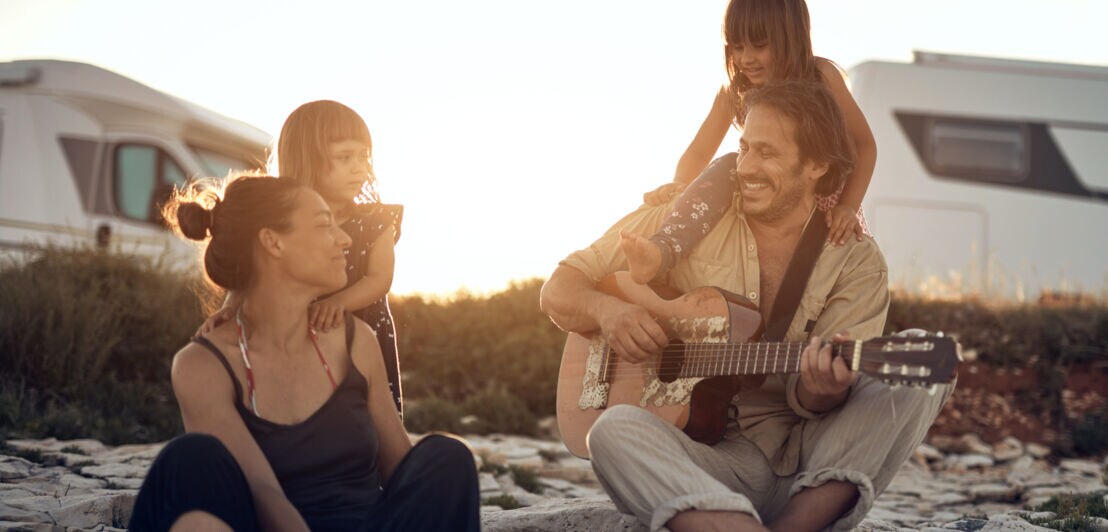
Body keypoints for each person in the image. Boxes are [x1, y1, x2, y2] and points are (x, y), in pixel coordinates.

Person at [540, 81, 952, 531]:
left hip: (809, 463)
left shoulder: (855, 259)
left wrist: (823, 387)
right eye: (744, 148)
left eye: (767, 153)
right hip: (701, 461)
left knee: (926, 368)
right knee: (610, 432)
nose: (746, 166)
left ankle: (789, 523)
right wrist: (608, 312)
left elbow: (820, 399)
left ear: (816, 165)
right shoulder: (690, 215)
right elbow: (559, 289)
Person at [130, 175, 479, 531]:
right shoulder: (202, 365)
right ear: (273, 242)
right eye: (324, 224)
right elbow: (265, 494)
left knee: (445, 458)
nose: (344, 239)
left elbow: (403, 472)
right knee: (188, 460)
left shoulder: (356, 341)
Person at [624, 0, 878, 284]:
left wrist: (847, 207)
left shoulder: (821, 77)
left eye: (759, 45)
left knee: (824, 284)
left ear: (790, 36)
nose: (746, 59)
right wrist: (681, 185)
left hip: (826, 209)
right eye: (737, 46)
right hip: (771, 211)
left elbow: (865, 147)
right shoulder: (736, 90)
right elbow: (698, 152)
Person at [202, 100, 405, 415]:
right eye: (344, 157)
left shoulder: (375, 221)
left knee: (372, 409)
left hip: (362, 327)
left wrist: (338, 303)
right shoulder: (285, 221)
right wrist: (230, 309)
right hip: (297, 333)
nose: (359, 168)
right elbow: (257, 272)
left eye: (363, 156)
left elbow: (380, 278)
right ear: (308, 159)